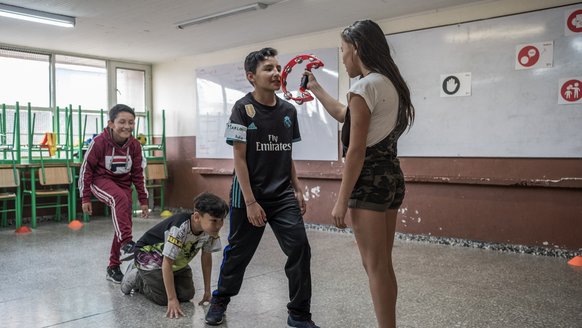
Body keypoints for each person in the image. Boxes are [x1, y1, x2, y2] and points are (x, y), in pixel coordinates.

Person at [304, 20, 415, 328]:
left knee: (374, 266)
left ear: (356, 48)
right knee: (382, 265)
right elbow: (347, 116)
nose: (342, 57)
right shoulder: (389, 83)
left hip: (368, 182)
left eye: (342, 50)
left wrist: (341, 200)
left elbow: (355, 151)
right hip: (392, 177)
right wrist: (316, 88)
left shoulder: (363, 87)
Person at [204, 47, 319, 328]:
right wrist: (252, 202)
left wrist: (298, 189)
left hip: (282, 196)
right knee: (238, 253)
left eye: (278, 68)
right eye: (268, 68)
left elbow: (286, 155)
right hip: (248, 196)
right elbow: (239, 159)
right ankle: (220, 300)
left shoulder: (289, 110)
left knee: (300, 248)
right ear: (251, 77)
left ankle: (299, 313)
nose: (277, 73)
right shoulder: (241, 109)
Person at [121, 192, 229, 318]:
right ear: (197, 217)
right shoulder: (180, 228)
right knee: (163, 299)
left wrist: (207, 291)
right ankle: (137, 277)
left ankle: (166, 280)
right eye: (214, 220)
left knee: (187, 295)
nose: (219, 225)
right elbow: (167, 262)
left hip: (175, 261)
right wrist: (171, 299)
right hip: (149, 256)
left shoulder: (211, 231)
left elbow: (206, 258)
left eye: (222, 220)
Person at [78, 104, 150, 283]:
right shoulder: (99, 142)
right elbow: (86, 170)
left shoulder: (134, 146)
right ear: (111, 123)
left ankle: (113, 266)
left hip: (123, 184)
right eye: (122, 122)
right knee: (119, 203)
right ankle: (126, 243)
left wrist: (143, 199)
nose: (127, 126)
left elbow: (138, 174)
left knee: (124, 221)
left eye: (131, 122)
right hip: (100, 181)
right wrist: (85, 196)